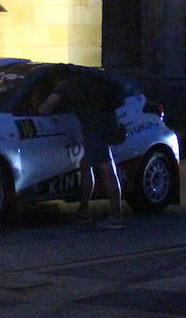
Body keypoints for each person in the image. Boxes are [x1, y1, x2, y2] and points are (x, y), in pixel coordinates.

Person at [39, 66, 125, 227]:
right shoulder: (85, 81)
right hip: (108, 122)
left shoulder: (64, 85)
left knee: (107, 168)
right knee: (86, 164)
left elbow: (46, 107)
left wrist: (39, 107)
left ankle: (116, 216)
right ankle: (84, 212)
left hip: (95, 128)